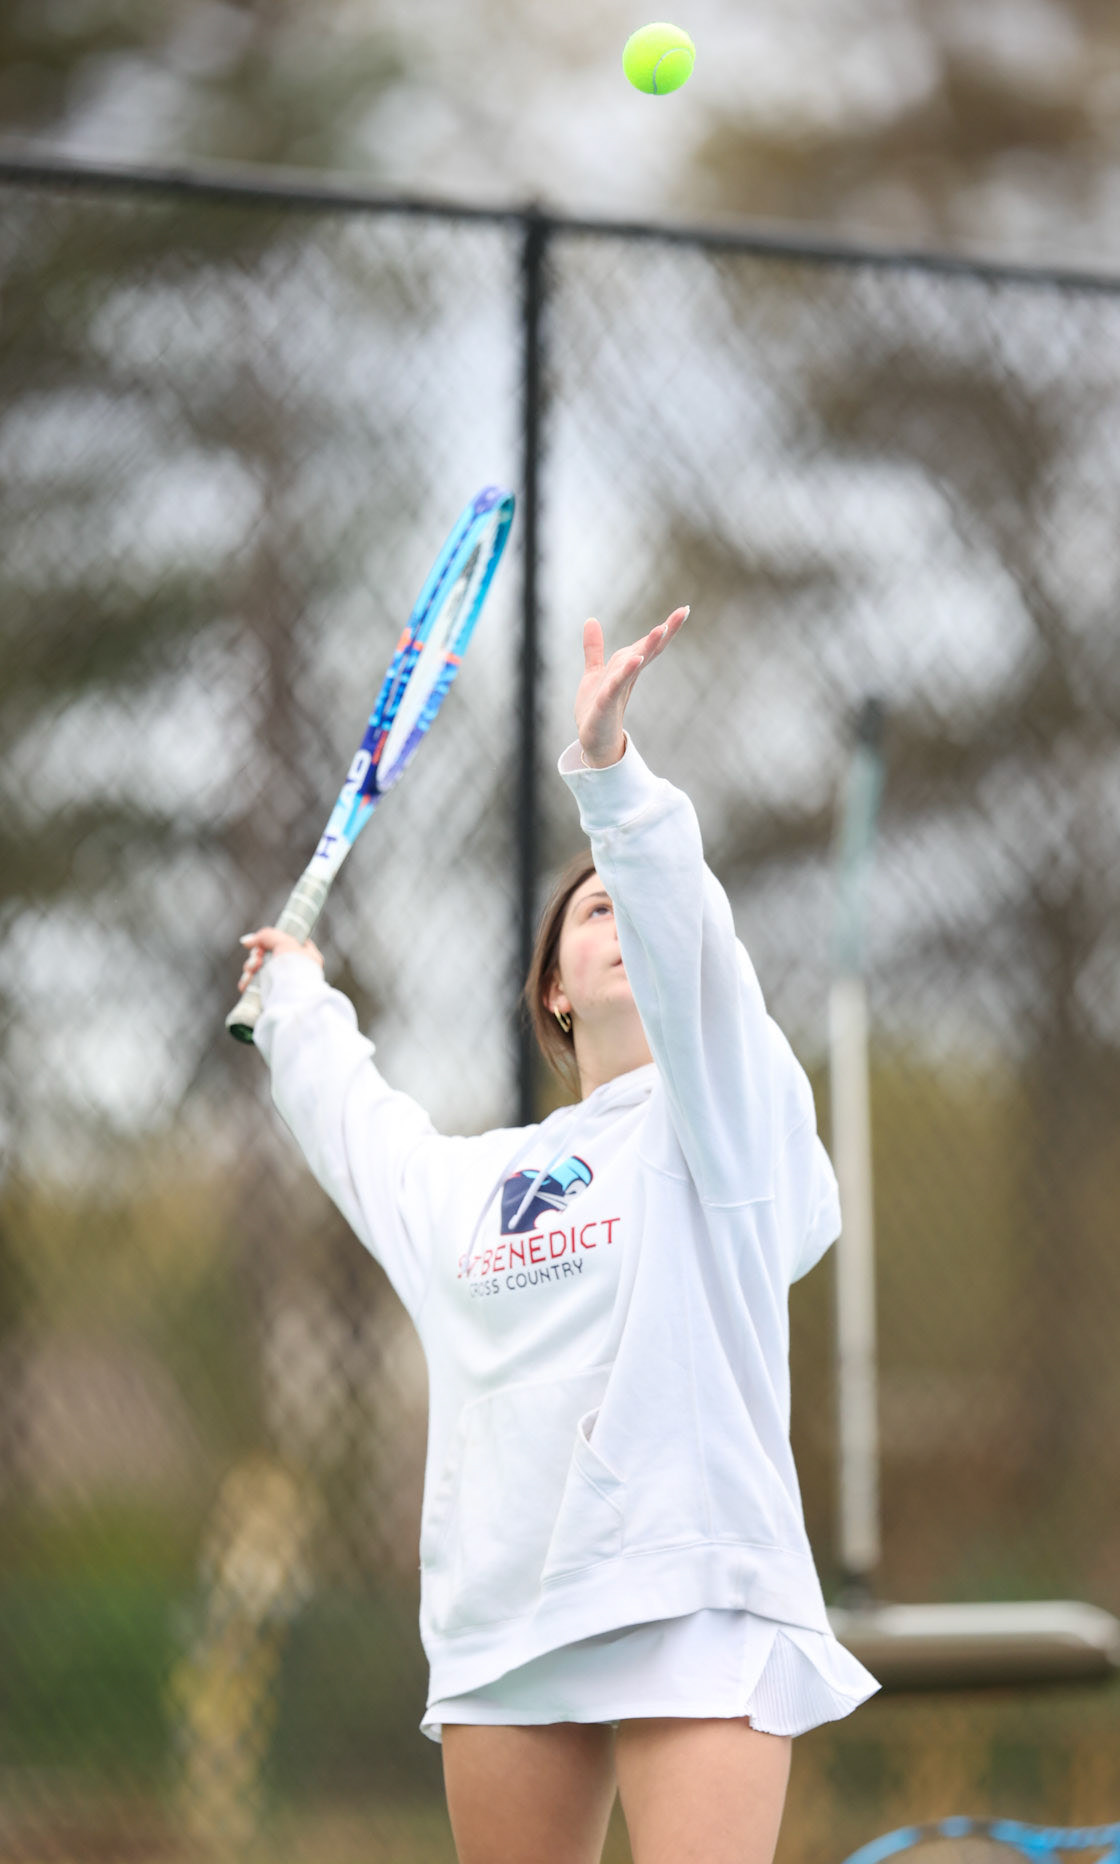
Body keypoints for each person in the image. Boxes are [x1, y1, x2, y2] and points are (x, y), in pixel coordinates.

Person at [236, 608, 877, 1864]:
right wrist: (294, 998)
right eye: (593, 912)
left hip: (696, 1597)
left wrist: (611, 771)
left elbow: (693, 942)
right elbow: (365, 1135)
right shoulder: (480, 1186)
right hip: (505, 1617)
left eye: (639, 900)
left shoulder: (732, 1128)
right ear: (553, 990)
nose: (628, 917)